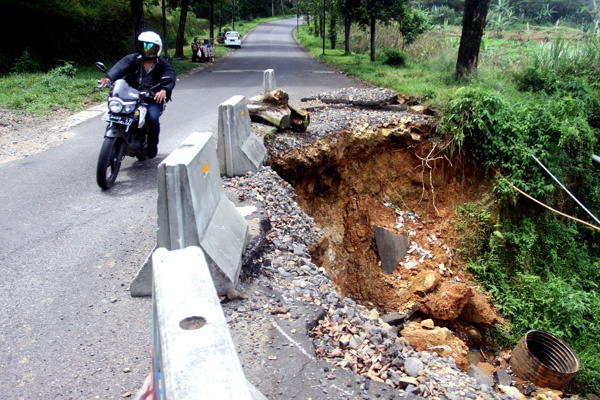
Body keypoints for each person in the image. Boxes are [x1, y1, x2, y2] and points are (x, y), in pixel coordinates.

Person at [99, 31, 176, 159]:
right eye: (144, 46)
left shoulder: (163, 65)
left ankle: (152, 145)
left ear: (157, 49)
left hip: (151, 99)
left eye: (151, 47)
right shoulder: (134, 59)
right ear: (140, 47)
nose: (147, 50)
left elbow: (170, 76)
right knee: (116, 112)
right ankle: (118, 138)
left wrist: (164, 90)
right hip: (131, 95)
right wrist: (109, 78)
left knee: (152, 118)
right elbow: (120, 67)